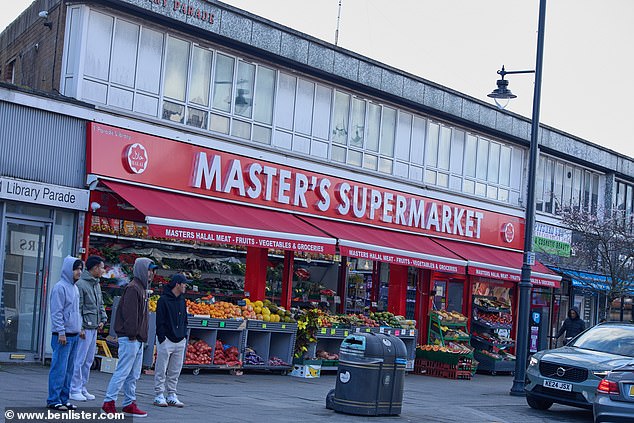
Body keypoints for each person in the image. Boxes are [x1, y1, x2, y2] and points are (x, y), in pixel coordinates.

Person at [102, 257, 157, 417]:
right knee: (123, 372)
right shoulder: (134, 288)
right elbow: (130, 314)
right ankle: (109, 402)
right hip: (131, 338)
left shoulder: (140, 288)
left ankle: (129, 402)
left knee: (133, 374)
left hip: (137, 338)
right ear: (141, 269)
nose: (152, 273)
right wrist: (134, 335)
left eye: (153, 270)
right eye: (149, 269)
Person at [47, 256, 83, 411]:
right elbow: (57, 312)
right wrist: (61, 332)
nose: (79, 272)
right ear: (69, 269)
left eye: (80, 269)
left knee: (69, 370)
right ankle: (53, 400)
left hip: (73, 335)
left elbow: (76, 311)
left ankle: (64, 398)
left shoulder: (75, 288)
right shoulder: (60, 287)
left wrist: (79, 328)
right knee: (59, 369)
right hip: (63, 336)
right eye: (76, 269)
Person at [70, 255, 107, 401]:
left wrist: (103, 318)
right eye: (102, 267)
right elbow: (77, 308)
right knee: (79, 359)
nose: (103, 270)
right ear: (95, 268)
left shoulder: (96, 284)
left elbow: (100, 304)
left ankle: (82, 387)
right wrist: (80, 328)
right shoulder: (81, 284)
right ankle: (74, 388)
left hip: (93, 327)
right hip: (85, 328)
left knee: (88, 360)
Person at [153, 274, 189, 408]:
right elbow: (160, 321)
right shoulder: (163, 300)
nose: (186, 286)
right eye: (184, 284)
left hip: (180, 340)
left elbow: (185, 319)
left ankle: (172, 394)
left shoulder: (182, 300)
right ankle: (159, 394)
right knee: (161, 368)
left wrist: (184, 335)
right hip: (166, 339)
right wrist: (162, 337)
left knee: (175, 369)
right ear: (177, 284)